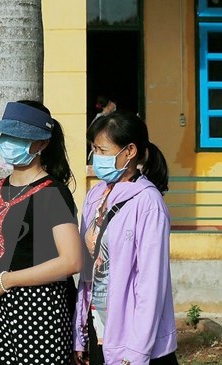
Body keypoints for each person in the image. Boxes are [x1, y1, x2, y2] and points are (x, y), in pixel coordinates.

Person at [0, 100, 82, 365]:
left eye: (19, 136)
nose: (10, 141)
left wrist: (8, 280)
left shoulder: (52, 193)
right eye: (7, 134)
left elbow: (72, 261)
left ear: (42, 143)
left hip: (40, 311)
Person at [73, 110, 178, 365]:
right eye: (93, 150)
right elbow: (88, 275)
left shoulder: (148, 202)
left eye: (102, 150)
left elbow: (150, 284)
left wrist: (137, 353)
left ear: (129, 152)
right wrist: (81, 332)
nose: (95, 158)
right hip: (100, 332)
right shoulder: (96, 195)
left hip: (135, 346)